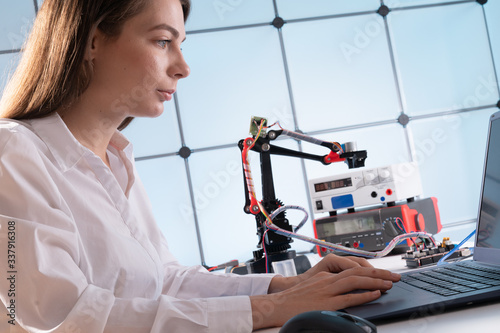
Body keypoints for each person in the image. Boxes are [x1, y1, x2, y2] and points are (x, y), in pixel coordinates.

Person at [0, 0, 401, 332]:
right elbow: (60, 317)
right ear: (91, 42)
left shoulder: (116, 160)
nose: (182, 67)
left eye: (181, 44)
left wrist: (286, 287)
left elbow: (165, 281)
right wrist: (275, 308)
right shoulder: (12, 153)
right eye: (162, 42)